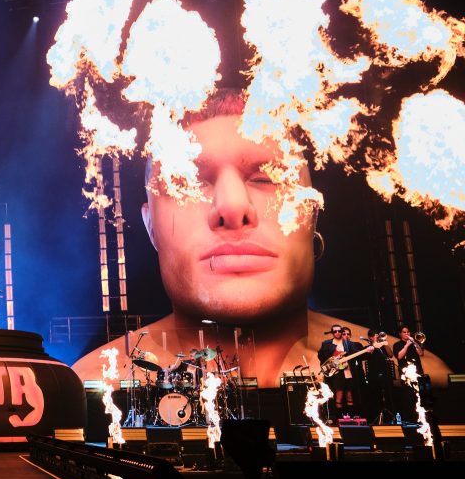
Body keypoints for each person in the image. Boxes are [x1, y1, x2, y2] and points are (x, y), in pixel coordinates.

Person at [72, 89, 452, 388]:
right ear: (150, 225)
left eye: (267, 177)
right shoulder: (91, 386)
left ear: (312, 212)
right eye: (187, 182)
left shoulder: (418, 379)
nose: (232, 206)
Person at [317, 324, 358, 414]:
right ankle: (339, 415)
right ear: (332, 332)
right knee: (339, 392)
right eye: (335, 331)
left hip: (347, 370)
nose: (337, 333)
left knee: (349, 393)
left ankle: (350, 415)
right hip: (335, 372)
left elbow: (355, 354)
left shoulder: (348, 343)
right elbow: (321, 356)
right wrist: (332, 361)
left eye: (339, 331)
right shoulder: (327, 343)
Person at [362, 328, 396, 423]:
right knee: (375, 397)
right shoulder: (368, 347)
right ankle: (376, 417)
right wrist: (373, 345)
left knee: (389, 395)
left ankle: (390, 417)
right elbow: (366, 356)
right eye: (374, 336)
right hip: (373, 375)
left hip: (385, 374)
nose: (377, 337)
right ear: (370, 337)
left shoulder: (383, 346)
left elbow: (390, 355)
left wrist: (385, 343)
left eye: (377, 335)